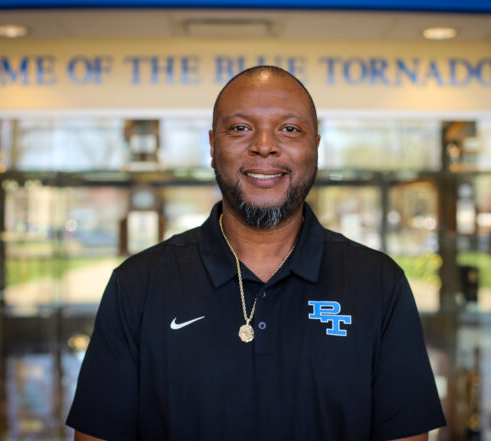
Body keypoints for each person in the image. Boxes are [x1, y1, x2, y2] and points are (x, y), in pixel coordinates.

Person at [67, 66, 445, 441]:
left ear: (316, 145)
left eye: (290, 129)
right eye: (241, 128)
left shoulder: (378, 284)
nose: (264, 145)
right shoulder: (137, 284)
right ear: (213, 147)